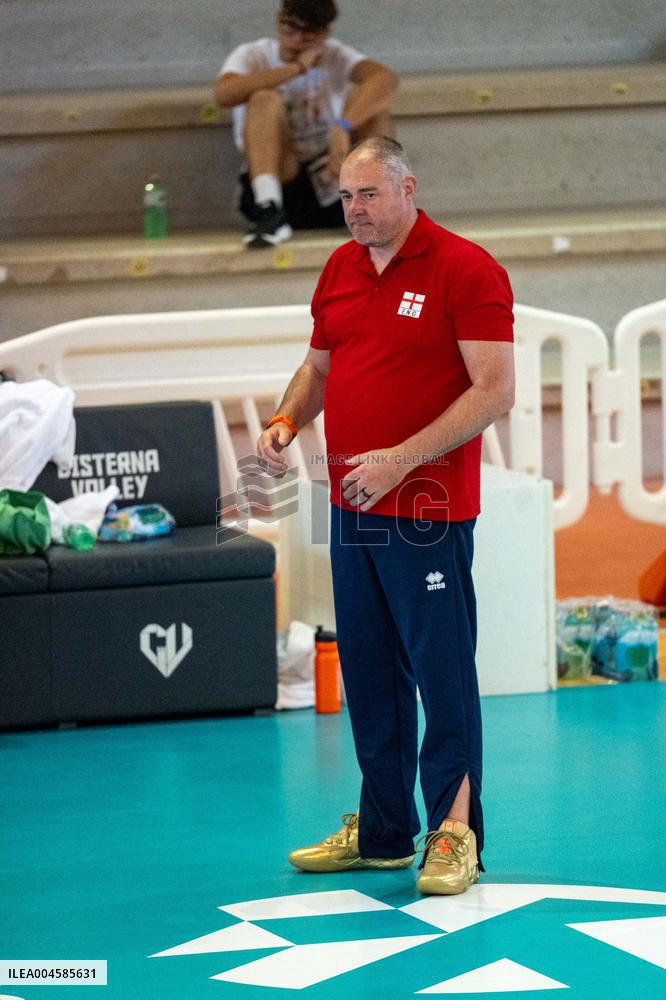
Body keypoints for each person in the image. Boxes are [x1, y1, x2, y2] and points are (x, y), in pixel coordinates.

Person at [256, 137, 515, 895]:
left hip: (428, 509)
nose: (355, 209)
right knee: (370, 670)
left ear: (408, 189)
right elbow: (319, 367)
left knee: (441, 671)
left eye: (369, 194)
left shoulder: (466, 268)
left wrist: (400, 460)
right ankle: (383, 832)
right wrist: (287, 419)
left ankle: (455, 832)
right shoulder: (340, 268)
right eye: (346, 196)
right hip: (353, 505)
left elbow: (495, 390)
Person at [215, 0, 398, 248]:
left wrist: (342, 126)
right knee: (264, 99)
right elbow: (224, 94)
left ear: (324, 33)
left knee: (372, 106)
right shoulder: (253, 54)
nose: (297, 38)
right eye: (290, 27)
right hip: (283, 177)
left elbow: (385, 80)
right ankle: (269, 209)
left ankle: (381, 208)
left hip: (330, 179)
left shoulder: (335, 54)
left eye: (308, 31)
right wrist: (296, 68)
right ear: (278, 21)